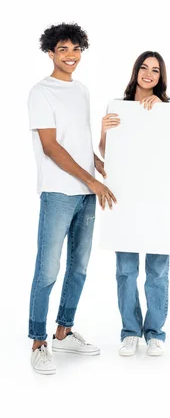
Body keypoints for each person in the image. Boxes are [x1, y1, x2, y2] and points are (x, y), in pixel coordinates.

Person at [28, 23, 116, 376]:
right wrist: (91, 180)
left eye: (76, 48)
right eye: (63, 49)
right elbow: (51, 146)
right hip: (59, 192)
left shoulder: (82, 90)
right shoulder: (41, 92)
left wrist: (100, 164)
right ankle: (38, 341)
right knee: (47, 270)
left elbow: (79, 140)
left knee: (78, 268)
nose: (71, 55)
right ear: (50, 52)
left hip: (85, 194)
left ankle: (63, 331)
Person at [99, 51, 170, 358]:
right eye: (144, 68)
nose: (148, 74)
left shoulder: (169, 108)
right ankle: (130, 332)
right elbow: (106, 155)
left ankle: (154, 332)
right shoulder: (118, 106)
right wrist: (104, 130)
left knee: (157, 270)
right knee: (126, 270)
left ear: (160, 77)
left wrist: (161, 112)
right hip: (126, 197)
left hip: (159, 199)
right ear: (136, 71)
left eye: (155, 70)